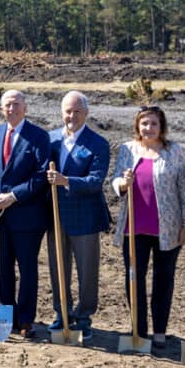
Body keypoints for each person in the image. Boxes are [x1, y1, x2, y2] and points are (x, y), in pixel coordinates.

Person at [111, 105, 185, 349]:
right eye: (144, 123)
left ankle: (159, 331)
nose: (149, 128)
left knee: (163, 279)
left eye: (154, 123)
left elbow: (184, 189)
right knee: (134, 278)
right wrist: (123, 183)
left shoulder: (174, 151)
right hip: (133, 227)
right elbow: (115, 180)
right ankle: (138, 329)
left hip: (167, 227)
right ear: (138, 126)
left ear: (161, 127)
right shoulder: (127, 149)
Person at [0, 89, 50, 338]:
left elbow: (41, 176)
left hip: (27, 216)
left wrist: (14, 196)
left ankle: (25, 319)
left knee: (27, 268)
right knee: (1, 267)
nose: (12, 109)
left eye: (16, 104)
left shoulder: (39, 137)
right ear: (1, 109)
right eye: (7, 105)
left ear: (26, 107)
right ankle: (5, 316)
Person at [45, 91, 111, 339]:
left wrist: (65, 181)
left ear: (86, 113)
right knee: (57, 267)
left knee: (87, 270)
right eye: (67, 111)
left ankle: (83, 317)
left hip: (85, 216)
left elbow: (95, 181)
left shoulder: (98, 143)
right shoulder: (50, 139)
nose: (71, 116)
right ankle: (62, 312)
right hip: (55, 215)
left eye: (76, 111)